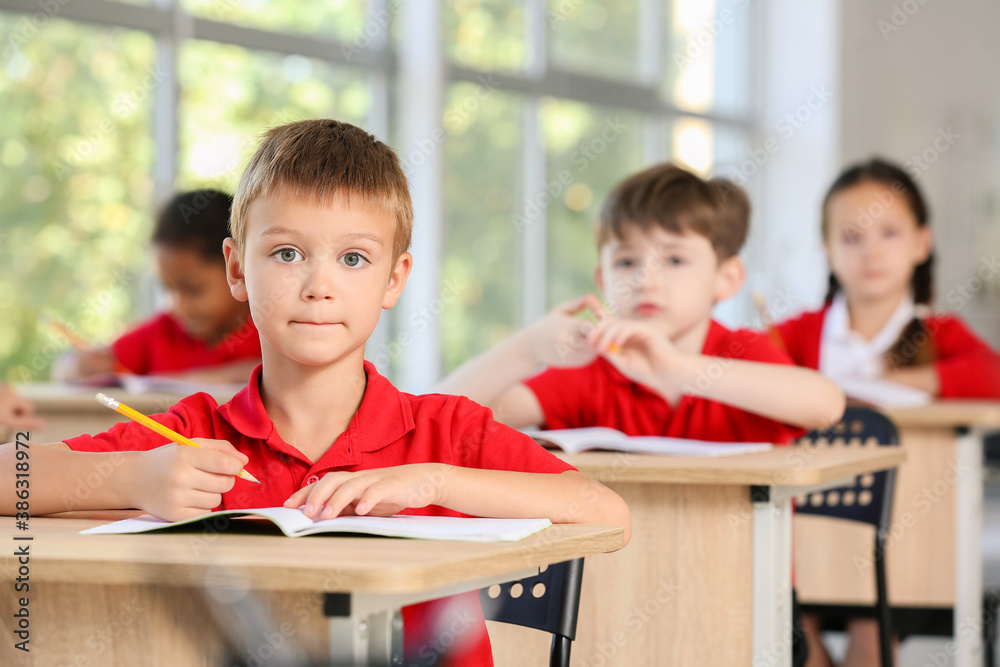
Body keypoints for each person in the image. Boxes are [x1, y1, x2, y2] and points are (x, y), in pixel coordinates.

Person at [0, 119, 630, 666]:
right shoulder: (194, 433)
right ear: (237, 269)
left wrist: (434, 483)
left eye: (353, 259)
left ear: (395, 277)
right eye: (288, 253)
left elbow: (606, 511)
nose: (318, 286)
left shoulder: (444, 432)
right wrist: (131, 478)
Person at [775, 158, 1000, 667]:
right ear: (827, 252)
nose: (870, 251)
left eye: (889, 233)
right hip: (800, 543)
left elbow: (992, 375)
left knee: (872, 635)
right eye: (851, 237)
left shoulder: (938, 334)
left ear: (922, 243)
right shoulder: (797, 335)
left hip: (903, 545)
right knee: (789, 633)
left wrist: (894, 382)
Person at [439, 163, 845, 443]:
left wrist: (679, 369)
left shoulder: (740, 353)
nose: (644, 279)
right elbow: (442, 421)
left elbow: (826, 405)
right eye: (627, 261)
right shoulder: (594, 370)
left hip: (746, 566)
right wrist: (526, 347)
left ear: (727, 278)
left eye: (674, 259)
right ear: (602, 279)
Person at [54, 190, 261, 383]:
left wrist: (215, 378)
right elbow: (65, 369)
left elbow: (286, 375)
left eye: (193, 289)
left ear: (237, 268)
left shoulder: (270, 328)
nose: (179, 306)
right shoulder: (163, 333)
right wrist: (79, 366)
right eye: (168, 289)